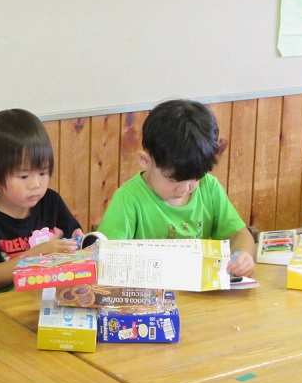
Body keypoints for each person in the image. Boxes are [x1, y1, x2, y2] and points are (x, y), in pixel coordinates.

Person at [97, 99, 255, 277]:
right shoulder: (129, 198)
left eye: (194, 178)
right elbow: (105, 254)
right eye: (174, 180)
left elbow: (239, 235)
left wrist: (243, 257)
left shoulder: (209, 188)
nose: (184, 189)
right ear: (145, 161)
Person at [0, 109, 84, 300]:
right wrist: (37, 254)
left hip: (44, 303)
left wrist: (78, 241)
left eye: (42, 173)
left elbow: (73, 237)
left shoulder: (51, 202)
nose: (35, 184)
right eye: (24, 176)